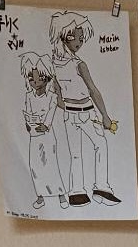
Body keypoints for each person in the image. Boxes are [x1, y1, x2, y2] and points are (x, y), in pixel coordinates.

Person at [48, 11, 121, 207]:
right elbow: (93, 90)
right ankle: (97, 189)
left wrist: (66, 105)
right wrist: (105, 116)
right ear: (66, 36)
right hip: (85, 112)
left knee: (78, 152)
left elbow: (58, 94)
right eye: (77, 38)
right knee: (97, 146)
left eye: (82, 38)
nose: (80, 42)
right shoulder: (77, 64)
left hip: (75, 112)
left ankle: (79, 192)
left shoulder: (56, 64)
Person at [20, 52, 65, 211]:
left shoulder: (52, 96)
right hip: (34, 135)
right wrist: (28, 124)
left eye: (39, 78)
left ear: (46, 78)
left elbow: (51, 112)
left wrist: (46, 125)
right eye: (31, 78)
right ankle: (40, 196)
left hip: (47, 136)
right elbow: (28, 112)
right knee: (35, 166)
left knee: (51, 164)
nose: (35, 81)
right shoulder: (28, 96)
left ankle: (60, 194)